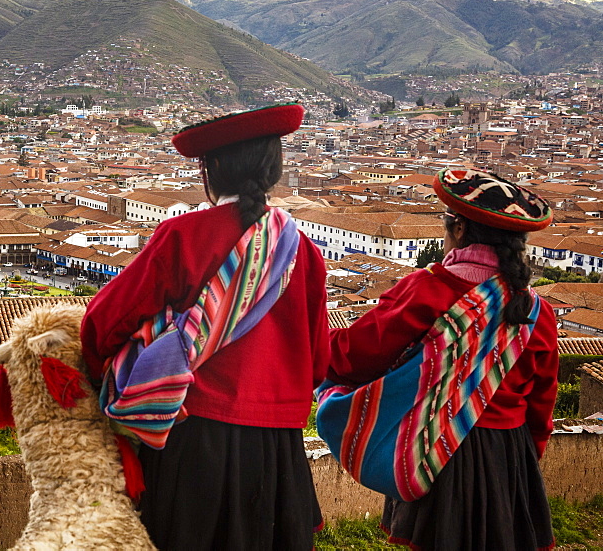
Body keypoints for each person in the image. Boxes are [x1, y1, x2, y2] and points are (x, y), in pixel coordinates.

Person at [81, 103, 329, 551]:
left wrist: (120, 371)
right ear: (273, 168)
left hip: (194, 437)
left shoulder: (182, 236)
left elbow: (105, 321)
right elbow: (318, 359)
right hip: (277, 446)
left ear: (212, 170)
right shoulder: (303, 252)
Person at [326, 168, 558, 550]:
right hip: (508, 455)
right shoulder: (536, 312)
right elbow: (541, 404)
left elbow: (355, 356)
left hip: (436, 447)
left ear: (460, 230)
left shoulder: (428, 290)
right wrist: (522, 460)